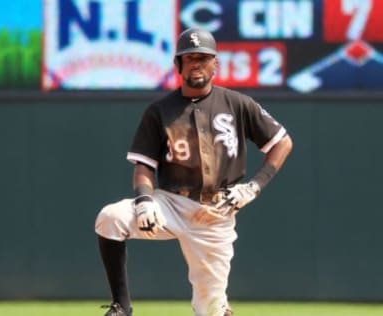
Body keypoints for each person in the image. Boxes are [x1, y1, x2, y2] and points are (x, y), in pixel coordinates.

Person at [95, 28, 293, 316]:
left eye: (203, 57)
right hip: (171, 204)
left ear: (216, 64)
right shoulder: (159, 111)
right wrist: (144, 200)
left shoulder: (237, 104)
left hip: (216, 212)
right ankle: (121, 306)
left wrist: (254, 186)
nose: (196, 63)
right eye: (189, 58)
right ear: (178, 65)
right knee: (110, 218)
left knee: (211, 309)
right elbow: (144, 166)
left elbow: (282, 143)